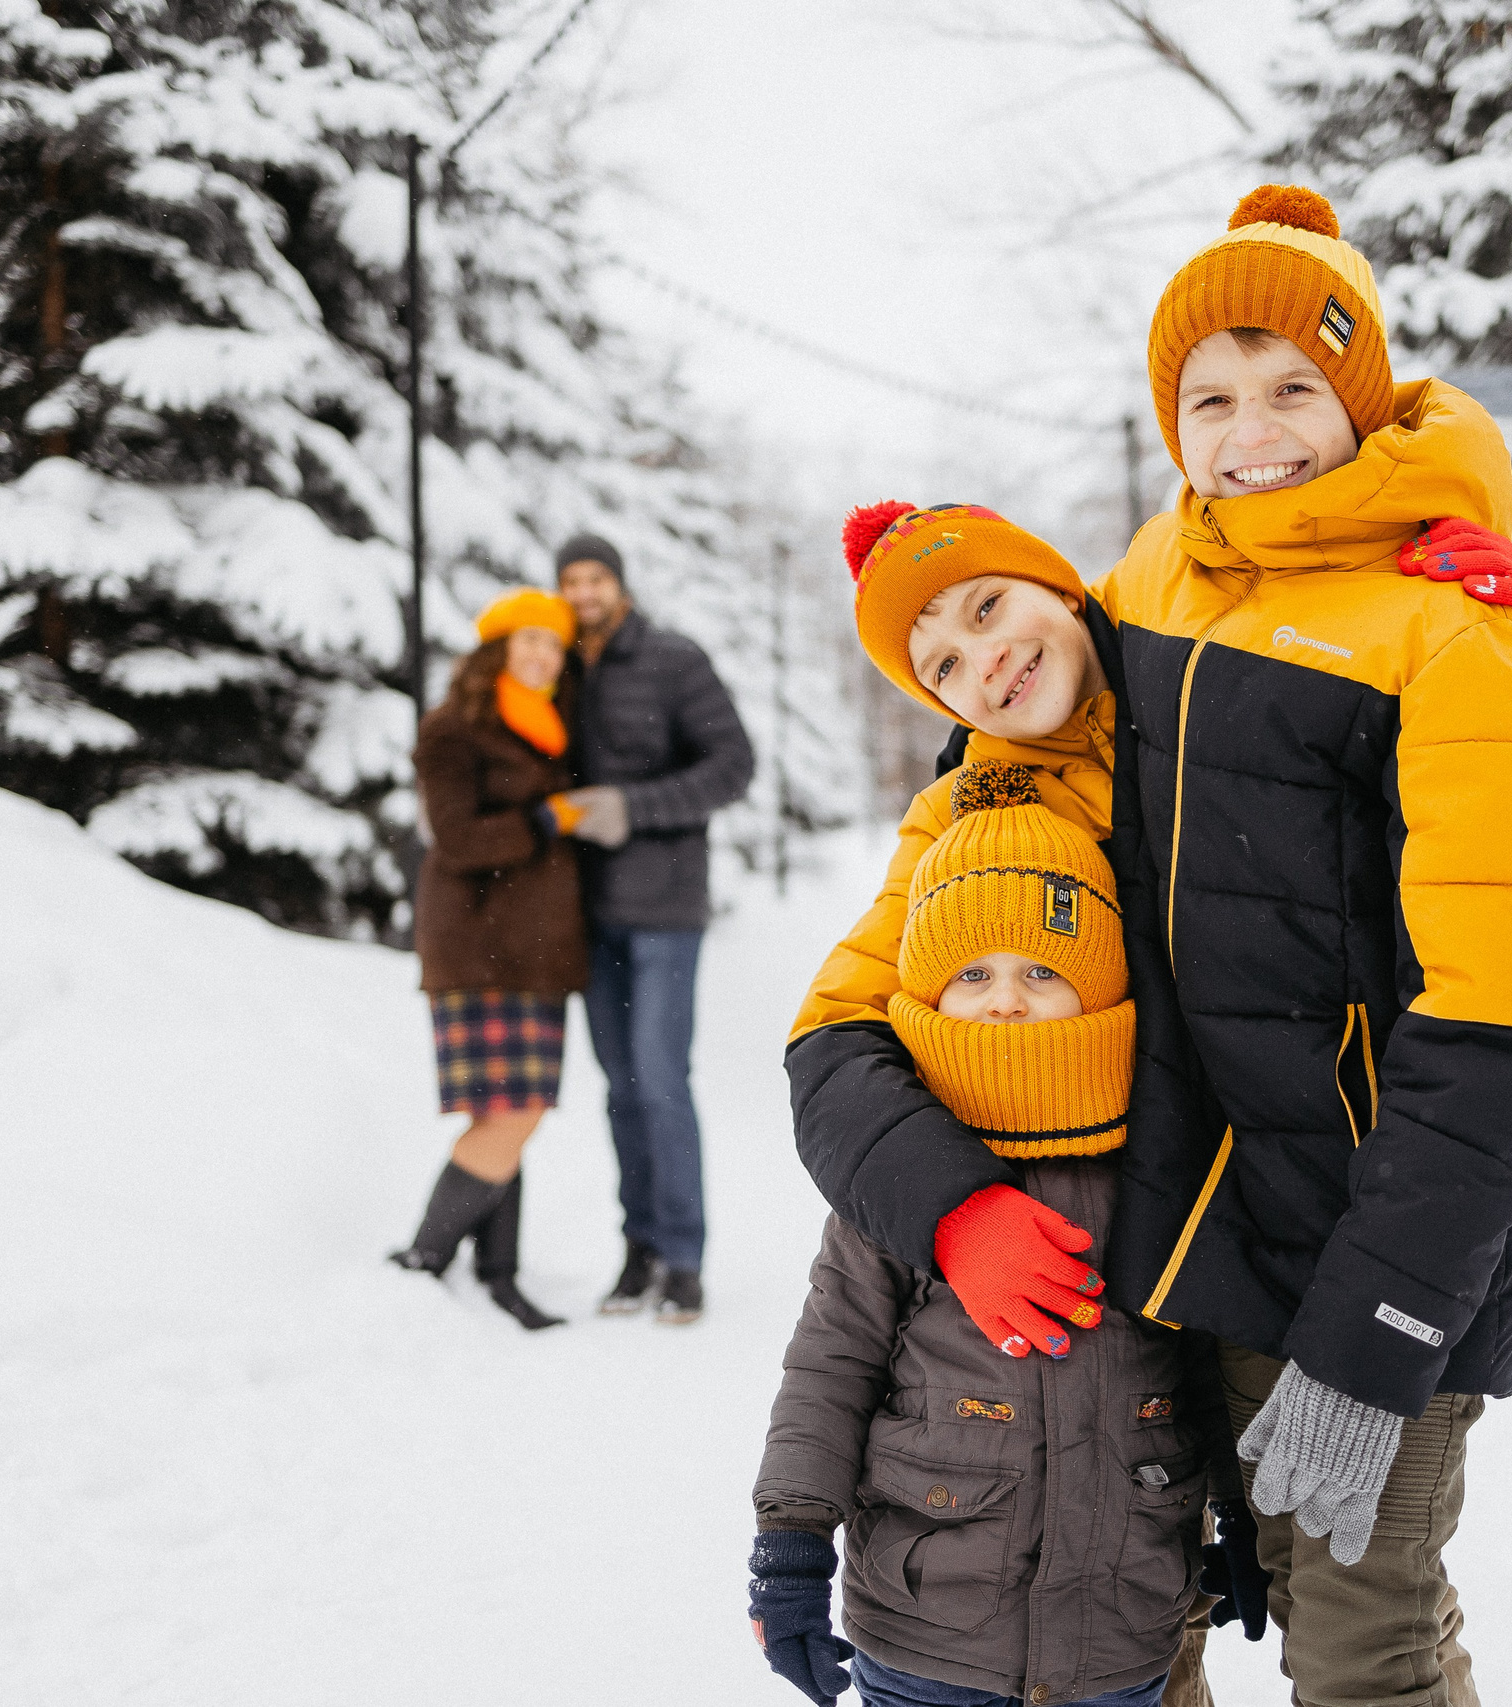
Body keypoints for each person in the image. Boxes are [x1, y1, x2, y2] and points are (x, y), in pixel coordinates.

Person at [788, 183, 1512, 1707]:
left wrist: (1384, 1325)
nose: (1253, 425)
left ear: (1360, 393)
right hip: (1183, 1249)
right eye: (1210, 394)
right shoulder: (1131, 618)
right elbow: (833, 1032)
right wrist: (953, 1206)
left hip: (1379, 1242)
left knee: (1365, 1649)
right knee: (1142, 1626)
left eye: (1295, 383)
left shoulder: (1453, 620)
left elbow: (1501, 1024)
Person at [748, 759, 1243, 1707]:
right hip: (927, 1630)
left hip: (1119, 1632)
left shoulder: (1151, 1163)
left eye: (1041, 969)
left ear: (1096, 984)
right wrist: (791, 1542)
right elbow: (831, 1365)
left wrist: (1241, 1517)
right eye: (972, 972)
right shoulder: (899, 1173)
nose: (1005, 998)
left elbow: (1206, 1361)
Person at [540, 532, 754, 1326]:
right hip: (588, 914)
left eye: (595, 576)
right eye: (570, 579)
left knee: (662, 1079)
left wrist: (632, 809)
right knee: (620, 1087)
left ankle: (686, 1258)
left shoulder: (673, 659)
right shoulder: (557, 667)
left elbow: (733, 764)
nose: (584, 591)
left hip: (664, 910)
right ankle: (640, 1250)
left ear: (619, 584)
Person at [389, 588, 589, 1332]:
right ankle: (424, 1259)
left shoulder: (551, 731)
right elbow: (458, 838)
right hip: (478, 945)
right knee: (513, 1112)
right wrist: (545, 820)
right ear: (497, 648)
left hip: (536, 953)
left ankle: (499, 1275)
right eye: (527, 640)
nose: (542, 655)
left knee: (506, 1113)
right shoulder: (456, 729)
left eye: (553, 645)